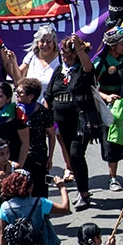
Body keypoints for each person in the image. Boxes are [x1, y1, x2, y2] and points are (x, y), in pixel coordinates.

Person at [44, 35, 96, 211]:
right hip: (62, 123)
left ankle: (84, 194)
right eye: (62, 52)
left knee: (76, 154)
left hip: (80, 122)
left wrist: (79, 48)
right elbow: (48, 96)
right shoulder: (59, 70)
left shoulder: (81, 69)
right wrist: (47, 119)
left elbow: (89, 69)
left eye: (67, 52)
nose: (63, 55)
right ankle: (82, 188)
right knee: (71, 157)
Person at [94, 28, 123, 192]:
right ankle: (113, 178)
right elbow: (91, 87)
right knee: (112, 141)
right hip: (110, 107)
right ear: (112, 46)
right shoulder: (101, 62)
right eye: (122, 43)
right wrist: (106, 97)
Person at [2, 24, 59, 104]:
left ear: (54, 42)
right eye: (42, 41)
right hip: (30, 106)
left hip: (51, 107)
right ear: (37, 42)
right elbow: (18, 81)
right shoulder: (31, 56)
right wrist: (13, 62)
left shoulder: (60, 59)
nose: (45, 44)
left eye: (49, 41)